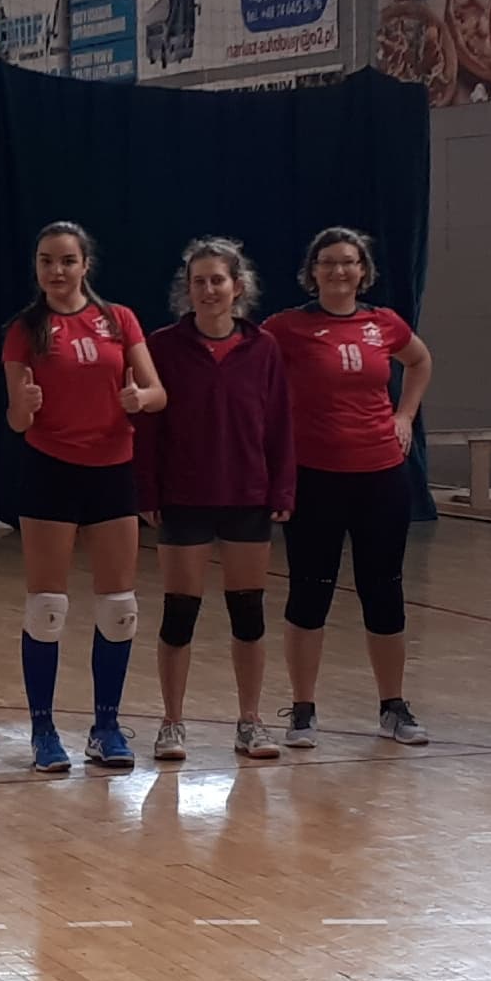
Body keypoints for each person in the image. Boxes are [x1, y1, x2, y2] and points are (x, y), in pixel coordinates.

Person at [3, 221, 166, 773]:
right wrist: (25, 405)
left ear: (85, 265)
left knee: (119, 609)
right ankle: (43, 732)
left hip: (111, 472)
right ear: (36, 267)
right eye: (47, 261)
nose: (57, 270)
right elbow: (17, 421)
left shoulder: (119, 320)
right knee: (47, 607)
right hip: (50, 471)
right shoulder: (25, 329)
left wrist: (140, 398)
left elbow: (157, 392)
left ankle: (106, 727)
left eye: (67, 260)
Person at [266, 226, 434, 748]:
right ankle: (302, 710)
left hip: (381, 475)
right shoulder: (288, 327)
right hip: (314, 478)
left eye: (349, 261)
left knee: (383, 590)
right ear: (312, 271)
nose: (339, 270)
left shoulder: (383, 323)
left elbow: (420, 360)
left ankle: (392, 706)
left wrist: (405, 416)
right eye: (328, 262)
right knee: (309, 591)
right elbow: (251, 372)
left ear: (363, 271)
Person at [135, 238, 294, 761]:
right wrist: (147, 489)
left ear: (237, 286)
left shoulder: (263, 348)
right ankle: (171, 723)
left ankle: (250, 721)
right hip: (184, 496)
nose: (208, 290)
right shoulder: (163, 346)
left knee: (248, 613)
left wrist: (282, 487)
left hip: (247, 494)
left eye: (217, 280)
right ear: (188, 288)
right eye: (199, 281)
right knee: (180, 613)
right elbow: (149, 427)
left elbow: (279, 423)